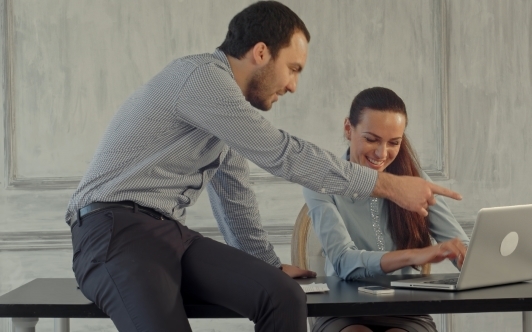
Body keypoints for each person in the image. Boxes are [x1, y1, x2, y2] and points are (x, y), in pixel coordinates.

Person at [66, 2, 462, 331]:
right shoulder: (202, 79)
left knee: (280, 294)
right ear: (260, 53)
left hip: (167, 234)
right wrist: (390, 186)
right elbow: (282, 153)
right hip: (111, 232)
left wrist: (268, 265)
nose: (293, 85)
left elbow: (235, 194)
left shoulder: (227, 114)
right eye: (293, 68)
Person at [303, 87, 470, 332]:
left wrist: (470, 259)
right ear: (349, 129)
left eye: (394, 143)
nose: (382, 153)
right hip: (343, 312)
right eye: (371, 139)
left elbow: (459, 246)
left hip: (407, 311)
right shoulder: (321, 182)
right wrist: (413, 255)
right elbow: (343, 261)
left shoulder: (414, 180)